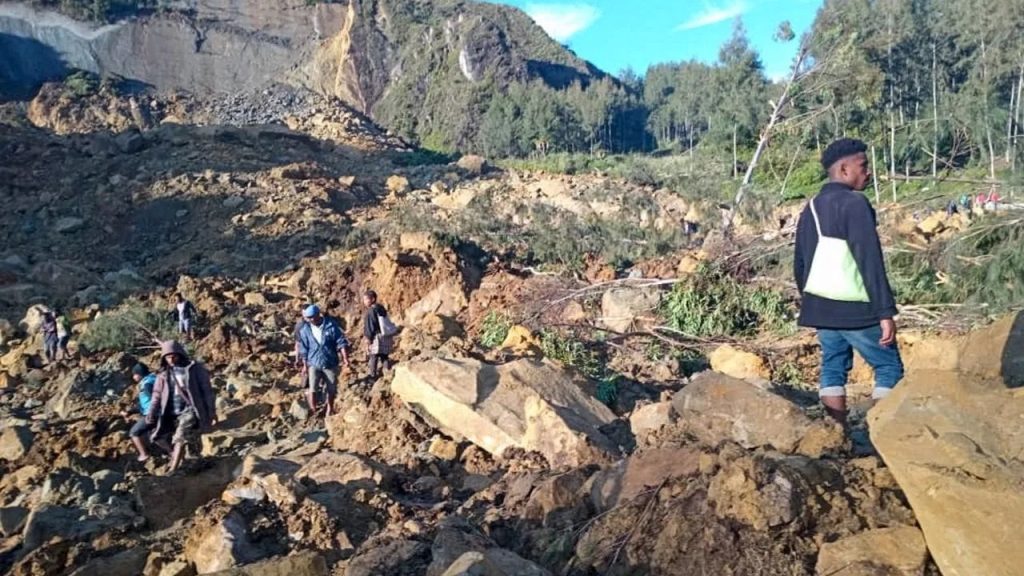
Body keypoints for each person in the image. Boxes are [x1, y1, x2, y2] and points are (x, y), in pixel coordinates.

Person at [793, 138, 904, 425]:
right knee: (888, 366)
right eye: (863, 165)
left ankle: (836, 434)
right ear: (844, 169)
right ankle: (881, 436)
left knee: (832, 367)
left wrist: (812, 302)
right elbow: (869, 260)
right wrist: (885, 312)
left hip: (821, 306)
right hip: (857, 308)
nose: (868, 172)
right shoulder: (855, 204)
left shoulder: (812, 207)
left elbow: (801, 262)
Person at [146, 341, 216, 473]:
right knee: (185, 440)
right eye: (168, 357)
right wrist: (152, 412)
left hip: (190, 409)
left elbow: (207, 391)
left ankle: (173, 468)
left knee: (180, 436)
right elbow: (156, 395)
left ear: (180, 355)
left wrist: (211, 411)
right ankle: (194, 462)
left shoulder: (194, 369)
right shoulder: (163, 374)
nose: (171, 360)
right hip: (171, 411)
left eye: (174, 356)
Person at [297, 304, 350, 417]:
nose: (310, 319)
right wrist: (305, 365)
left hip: (330, 362)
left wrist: (345, 359)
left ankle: (330, 408)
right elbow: (304, 349)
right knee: (313, 387)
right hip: (314, 362)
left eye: (312, 317)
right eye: (308, 317)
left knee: (331, 388)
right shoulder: (305, 330)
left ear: (318, 314)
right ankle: (313, 409)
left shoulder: (331, 326)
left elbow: (341, 342)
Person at [123, 363, 163, 462]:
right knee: (156, 436)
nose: (133, 377)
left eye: (134, 374)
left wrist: (152, 413)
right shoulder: (154, 380)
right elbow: (145, 403)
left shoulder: (147, 384)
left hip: (152, 414)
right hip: (160, 413)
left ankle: (143, 455)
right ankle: (172, 453)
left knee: (134, 432)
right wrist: (130, 411)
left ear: (139, 374)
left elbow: (154, 400)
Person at [362, 290, 395, 380]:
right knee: (384, 355)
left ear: (372, 299)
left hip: (376, 336)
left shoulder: (371, 311)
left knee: (374, 356)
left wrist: (368, 339)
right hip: (385, 335)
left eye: (366, 299)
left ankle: (373, 376)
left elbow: (370, 326)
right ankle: (387, 373)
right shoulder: (380, 308)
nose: (364, 301)